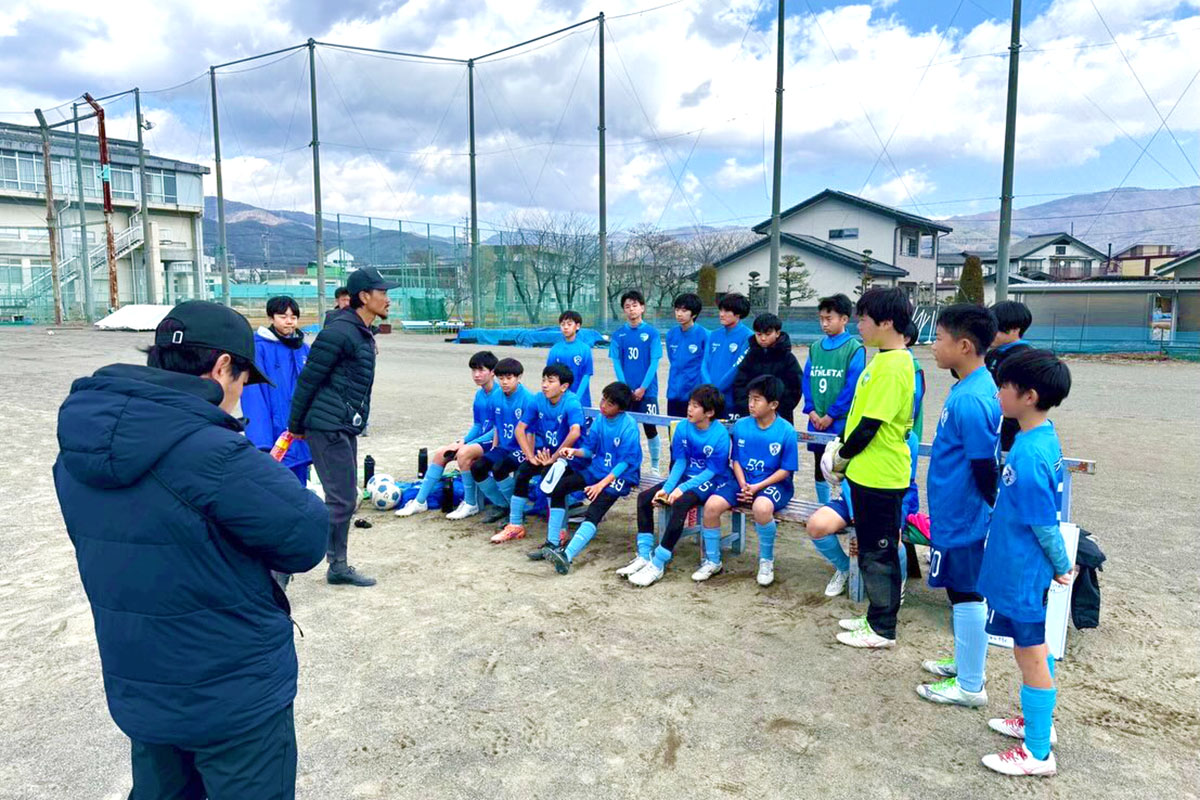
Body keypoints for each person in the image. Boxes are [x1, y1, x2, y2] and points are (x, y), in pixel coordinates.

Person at [54, 300, 328, 799]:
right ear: (223, 367)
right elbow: (307, 537)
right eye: (244, 381)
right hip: (231, 694)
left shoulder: (78, 448)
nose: (240, 395)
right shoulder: (211, 451)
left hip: (140, 679)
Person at [976, 348, 1073, 777]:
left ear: (1028, 396)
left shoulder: (1028, 454)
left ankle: (1037, 753)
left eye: (1004, 386)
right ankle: (1039, 723)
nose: (998, 393)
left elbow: (1043, 523)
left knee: (1031, 650)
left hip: (1023, 568)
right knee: (1030, 647)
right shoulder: (1041, 436)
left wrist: (1061, 563)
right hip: (1019, 564)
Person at [289, 266, 397, 587]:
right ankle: (289, 563)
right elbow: (308, 380)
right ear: (364, 297)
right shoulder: (339, 331)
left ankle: (337, 565)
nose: (388, 299)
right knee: (341, 500)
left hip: (342, 424)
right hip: (326, 425)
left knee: (345, 498)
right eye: (383, 293)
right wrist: (296, 425)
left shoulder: (361, 331)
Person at [916, 305, 1001, 708]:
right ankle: (966, 661)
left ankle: (970, 685)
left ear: (964, 345)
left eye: (940, 338)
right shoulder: (968, 386)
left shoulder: (973, 399)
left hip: (965, 517)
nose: (934, 345)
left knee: (965, 593)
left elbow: (985, 466)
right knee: (959, 591)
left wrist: (991, 511)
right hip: (954, 513)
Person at [822, 288, 915, 649]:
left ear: (887, 322)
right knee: (871, 548)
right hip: (865, 473)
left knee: (879, 551)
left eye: (863, 318)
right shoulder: (882, 358)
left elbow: (869, 426)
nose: (859, 324)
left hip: (881, 474)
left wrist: (842, 456)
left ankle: (884, 628)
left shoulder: (895, 365)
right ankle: (876, 616)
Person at [625, 384, 732, 587]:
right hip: (685, 477)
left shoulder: (720, 435)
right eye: (690, 404)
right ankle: (644, 554)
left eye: (695, 406)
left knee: (681, 503)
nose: (689, 409)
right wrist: (667, 488)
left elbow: (711, 471)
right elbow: (680, 461)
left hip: (711, 481)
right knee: (644, 498)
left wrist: (681, 489)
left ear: (709, 412)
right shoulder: (682, 427)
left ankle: (658, 563)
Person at [537, 382, 643, 574]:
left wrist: (600, 485)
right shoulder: (600, 420)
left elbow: (625, 463)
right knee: (558, 488)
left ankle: (567, 555)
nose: (603, 405)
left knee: (595, 509)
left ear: (621, 408)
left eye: (610, 403)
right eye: (603, 399)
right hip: (598, 469)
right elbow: (589, 450)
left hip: (620, 476)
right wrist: (573, 451)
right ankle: (552, 543)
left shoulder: (629, 426)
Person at [701, 375, 798, 586]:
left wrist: (756, 487)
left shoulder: (786, 431)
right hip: (743, 480)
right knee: (711, 506)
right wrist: (744, 484)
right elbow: (735, 459)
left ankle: (766, 560)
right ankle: (712, 560)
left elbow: (786, 470)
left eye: (757, 399)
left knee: (762, 508)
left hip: (773, 483)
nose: (751, 404)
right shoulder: (742, 425)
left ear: (773, 404)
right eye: (750, 398)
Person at [395, 350, 502, 519]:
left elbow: (496, 430)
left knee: (464, 453)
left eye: (481, 370)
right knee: (441, 454)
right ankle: (419, 501)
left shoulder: (499, 394)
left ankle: (470, 503)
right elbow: (478, 424)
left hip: (495, 441)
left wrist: (465, 445)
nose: (476, 375)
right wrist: (462, 440)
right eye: (474, 370)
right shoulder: (480, 395)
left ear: (493, 372)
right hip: (480, 440)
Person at [494, 363, 584, 543]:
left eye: (550, 381)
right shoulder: (538, 399)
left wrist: (554, 457)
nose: (544, 385)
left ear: (564, 386)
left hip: (572, 458)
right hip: (546, 455)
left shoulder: (571, 402)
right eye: (543, 380)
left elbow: (575, 432)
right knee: (524, 471)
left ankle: (560, 530)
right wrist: (530, 456)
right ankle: (515, 525)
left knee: (549, 476)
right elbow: (520, 429)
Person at [801, 293, 865, 506]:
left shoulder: (854, 348)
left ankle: (846, 510)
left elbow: (853, 385)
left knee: (841, 465)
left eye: (829, 319)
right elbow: (807, 378)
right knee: (819, 464)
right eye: (821, 318)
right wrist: (811, 410)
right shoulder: (816, 347)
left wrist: (831, 414)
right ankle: (822, 505)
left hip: (839, 421)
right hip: (815, 419)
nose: (824, 323)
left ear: (844, 319)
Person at [243, 296, 313, 487]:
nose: (289, 321)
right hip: (275, 433)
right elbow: (253, 396)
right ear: (271, 317)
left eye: (293, 316)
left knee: (299, 480)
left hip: (299, 431)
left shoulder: (303, 349)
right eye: (283, 316)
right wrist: (260, 440)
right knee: (276, 482)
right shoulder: (259, 348)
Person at [469, 357, 539, 536]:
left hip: (524, 448)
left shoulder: (528, 399)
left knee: (500, 469)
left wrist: (529, 456)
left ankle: (517, 514)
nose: (505, 382)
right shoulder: (497, 396)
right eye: (501, 378)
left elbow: (531, 432)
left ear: (519, 377)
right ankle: (503, 505)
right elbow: (497, 426)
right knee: (478, 467)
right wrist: (494, 449)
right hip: (505, 446)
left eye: (509, 378)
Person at [609, 290, 663, 473]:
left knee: (650, 428)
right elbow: (616, 362)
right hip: (627, 392)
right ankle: (631, 467)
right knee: (627, 430)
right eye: (627, 306)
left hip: (648, 392)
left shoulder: (651, 333)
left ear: (642, 308)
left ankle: (655, 466)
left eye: (634, 305)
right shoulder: (618, 335)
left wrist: (643, 388)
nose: (631, 309)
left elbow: (654, 362)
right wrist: (625, 388)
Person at [732, 312, 802, 423]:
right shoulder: (750, 357)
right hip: (751, 417)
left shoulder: (787, 358)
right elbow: (739, 385)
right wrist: (749, 407)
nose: (763, 338)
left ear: (777, 333)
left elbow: (795, 389)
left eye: (767, 334)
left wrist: (776, 410)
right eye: (759, 334)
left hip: (780, 418)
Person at [986, 300, 1034, 452]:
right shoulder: (993, 353)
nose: (990, 333)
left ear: (1015, 329)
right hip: (991, 424)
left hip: (1010, 431)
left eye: (996, 329)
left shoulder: (1025, 358)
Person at [701, 292, 752, 418]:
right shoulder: (714, 335)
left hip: (730, 399)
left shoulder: (748, 337)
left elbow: (736, 368)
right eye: (721, 310)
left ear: (738, 313)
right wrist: (708, 387)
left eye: (726, 311)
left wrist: (717, 389)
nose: (721, 314)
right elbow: (704, 363)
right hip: (709, 396)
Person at [665, 292, 707, 418]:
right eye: (677, 310)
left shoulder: (704, 335)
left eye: (684, 310)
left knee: (693, 433)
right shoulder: (671, 334)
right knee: (674, 432)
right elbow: (673, 360)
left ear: (694, 313)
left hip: (694, 395)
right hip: (673, 394)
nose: (679, 314)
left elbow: (706, 365)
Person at [546, 310, 594, 408]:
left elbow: (586, 375)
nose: (565, 327)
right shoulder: (555, 349)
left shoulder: (585, 349)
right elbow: (549, 375)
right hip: (559, 399)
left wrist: (577, 397)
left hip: (580, 400)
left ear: (577, 326)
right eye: (562, 324)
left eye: (569, 324)